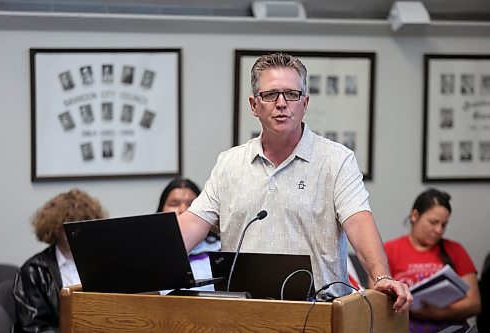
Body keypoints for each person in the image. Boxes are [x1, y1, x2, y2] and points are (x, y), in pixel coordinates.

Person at [177, 52, 412, 311]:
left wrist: (381, 276)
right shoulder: (229, 164)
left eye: (291, 94)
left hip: (319, 313)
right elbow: (190, 226)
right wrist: (140, 266)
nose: (281, 103)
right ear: (254, 105)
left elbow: (359, 222)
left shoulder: (335, 160)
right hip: (244, 313)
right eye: (270, 95)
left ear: (305, 102)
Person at [384, 188, 481, 333]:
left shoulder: (455, 250)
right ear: (415, 215)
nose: (439, 230)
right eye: (433, 222)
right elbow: (378, 301)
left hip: (451, 328)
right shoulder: (389, 250)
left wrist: (440, 313)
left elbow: (474, 303)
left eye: (444, 224)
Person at [13, 189, 107, 333]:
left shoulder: (100, 264)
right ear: (55, 229)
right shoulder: (34, 271)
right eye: (69, 229)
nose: (75, 236)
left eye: (81, 228)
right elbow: (33, 327)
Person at [157, 178, 220, 292]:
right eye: (174, 203)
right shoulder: (153, 252)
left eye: (192, 204)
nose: (183, 209)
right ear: (161, 209)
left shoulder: (221, 250)